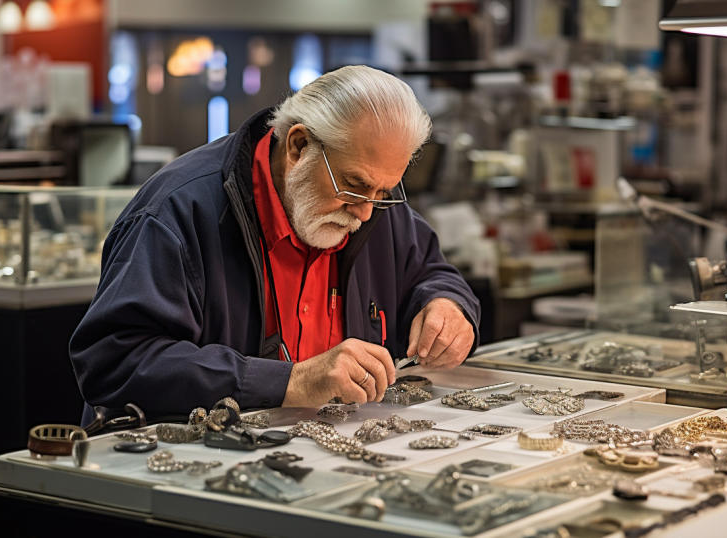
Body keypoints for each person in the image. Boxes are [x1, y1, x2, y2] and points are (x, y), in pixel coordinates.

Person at [70, 65, 479, 422]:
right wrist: (289, 381)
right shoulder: (177, 212)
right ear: (299, 147)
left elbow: (432, 272)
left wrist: (447, 304)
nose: (367, 212)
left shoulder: (370, 202)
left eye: (384, 191)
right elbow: (114, 362)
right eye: (353, 186)